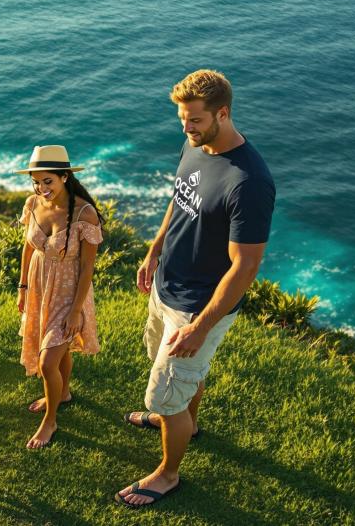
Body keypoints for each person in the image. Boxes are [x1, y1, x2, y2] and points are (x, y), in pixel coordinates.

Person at [115, 69, 275, 508]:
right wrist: (154, 249)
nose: (185, 128)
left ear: (222, 114)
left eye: (195, 120)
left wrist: (202, 326)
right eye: (183, 119)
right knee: (174, 383)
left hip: (197, 307)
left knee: (164, 395)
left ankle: (168, 474)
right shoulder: (195, 144)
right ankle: (187, 418)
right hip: (168, 286)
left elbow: (245, 268)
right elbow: (180, 198)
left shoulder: (249, 182)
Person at [15, 145, 103, 449]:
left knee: (47, 361)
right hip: (39, 286)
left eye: (48, 181)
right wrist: (23, 287)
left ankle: (50, 421)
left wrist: (76, 311)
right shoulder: (33, 203)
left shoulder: (84, 214)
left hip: (70, 292)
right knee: (57, 351)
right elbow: (28, 247)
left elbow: (87, 268)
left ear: (65, 177)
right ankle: (62, 393)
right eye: (36, 182)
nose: (42, 188)